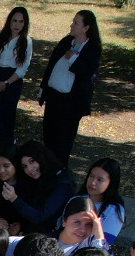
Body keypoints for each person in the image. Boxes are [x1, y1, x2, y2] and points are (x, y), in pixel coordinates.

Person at [37, 9, 101, 167]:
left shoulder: (93, 48)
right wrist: (43, 88)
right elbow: (51, 65)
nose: (71, 25)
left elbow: (87, 72)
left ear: (86, 28)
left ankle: (59, 171)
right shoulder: (66, 42)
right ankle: (47, 170)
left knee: (63, 141)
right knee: (49, 137)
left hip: (71, 103)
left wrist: (73, 57)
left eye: (76, 23)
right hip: (53, 97)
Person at [0, 7, 30, 162]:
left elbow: (22, 68)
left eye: (21, 22)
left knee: (7, 116)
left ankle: (5, 153)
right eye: (14, 20)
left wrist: (7, 83)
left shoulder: (26, 42)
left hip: (13, 81)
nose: (17, 25)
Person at [5, 140, 72, 234]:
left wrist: (14, 198)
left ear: (41, 157)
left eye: (32, 161)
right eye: (24, 166)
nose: (29, 169)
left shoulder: (62, 182)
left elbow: (39, 216)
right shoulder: (35, 179)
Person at [79, 156, 125, 247]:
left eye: (100, 180)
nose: (93, 182)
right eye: (91, 176)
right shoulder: (77, 199)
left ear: (111, 183)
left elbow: (105, 245)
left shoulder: (114, 210)